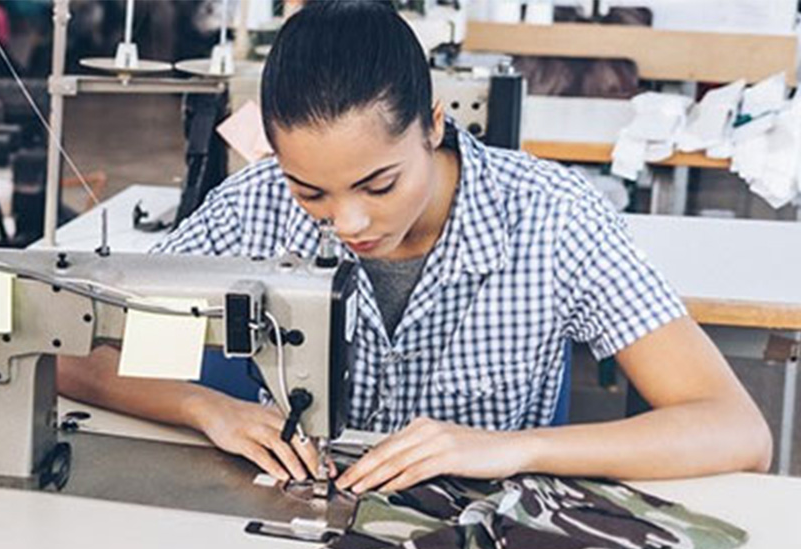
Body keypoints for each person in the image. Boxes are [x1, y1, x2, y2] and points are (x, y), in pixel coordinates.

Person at [59, 1, 770, 496]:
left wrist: (513, 448)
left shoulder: (552, 219)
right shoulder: (256, 206)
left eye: (378, 183)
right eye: (313, 191)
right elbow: (77, 352)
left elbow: (732, 429)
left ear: (432, 123)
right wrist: (204, 406)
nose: (348, 221)